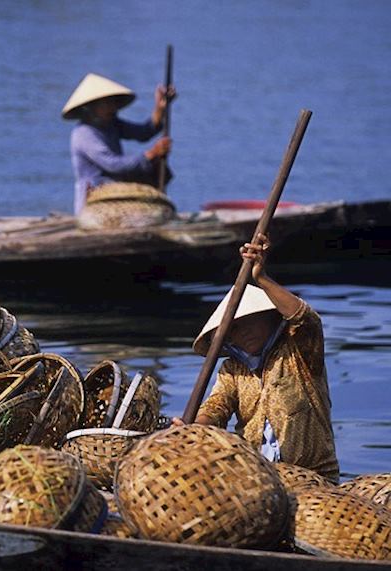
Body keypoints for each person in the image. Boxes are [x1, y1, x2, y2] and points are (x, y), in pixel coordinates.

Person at [174, 233, 340, 483]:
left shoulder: (299, 352)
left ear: (268, 316)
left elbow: (306, 319)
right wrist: (194, 428)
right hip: (259, 481)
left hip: (313, 478)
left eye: (246, 323)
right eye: (233, 329)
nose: (241, 333)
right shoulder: (232, 370)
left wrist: (260, 278)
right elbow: (216, 408)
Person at [62, 72, 174, 216]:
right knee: (150, 161)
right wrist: (152, 153)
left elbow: (143, 133)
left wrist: (160, 107)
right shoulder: (84, 133)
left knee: (156, 166)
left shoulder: (111, 124)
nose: (113, 108)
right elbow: (113, 165)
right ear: (91, 107)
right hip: (93, 202)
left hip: (115, 196)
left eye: (113, 102)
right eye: (106, 104)